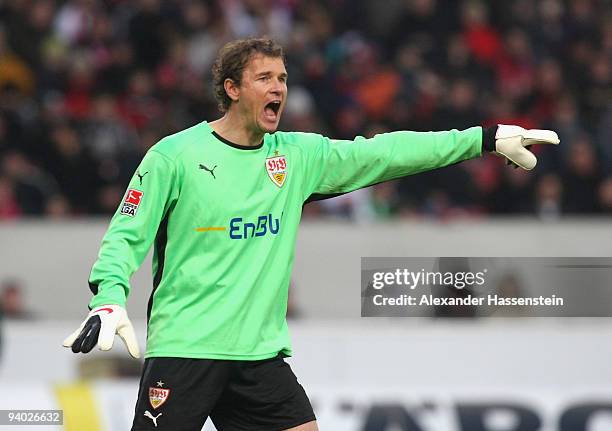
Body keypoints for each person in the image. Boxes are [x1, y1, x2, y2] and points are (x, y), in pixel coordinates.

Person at [63, 37, 559, 431]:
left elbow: (383, 154)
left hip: (258, 353)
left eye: (282, 78)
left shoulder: (297, 157)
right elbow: (126, 233)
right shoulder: (175, 156)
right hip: (188, 347)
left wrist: (483, 138)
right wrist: (109, 297)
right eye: (264, 78)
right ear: (232, 88)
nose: (278, 88)